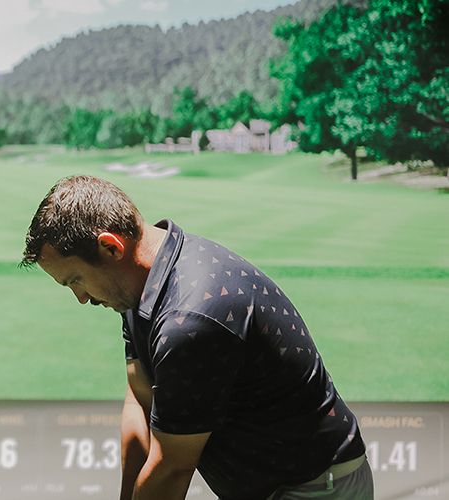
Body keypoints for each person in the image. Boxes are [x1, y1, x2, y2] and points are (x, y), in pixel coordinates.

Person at [21, 175, 373, 500]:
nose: (81, 298)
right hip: (268, 486)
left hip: (315, 487)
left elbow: (173, 469)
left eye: (76, 280)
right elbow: (140, 401)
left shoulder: (188, 319)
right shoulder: (138, 287)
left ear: (111, 248)